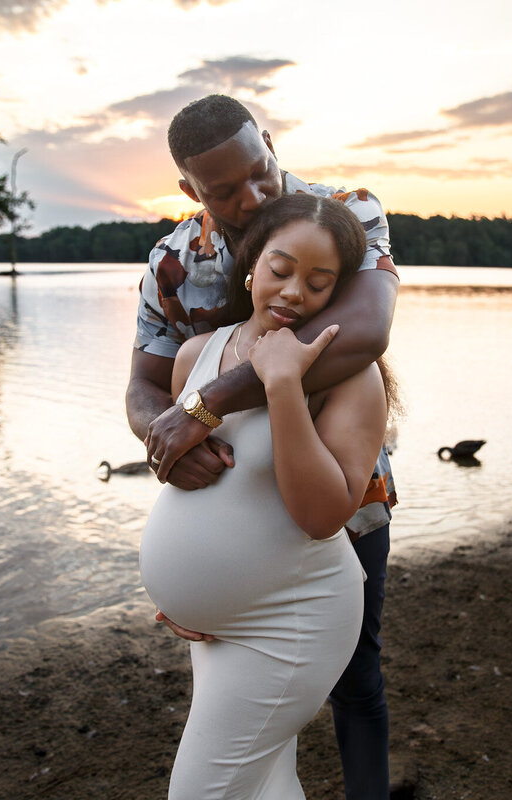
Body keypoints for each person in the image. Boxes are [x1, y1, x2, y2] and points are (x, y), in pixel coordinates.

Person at [125, 94, 399, 798]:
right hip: (232, 510)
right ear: (191, 191)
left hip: (338, 485)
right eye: (224, 189)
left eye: (261, 171)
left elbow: (363, 336)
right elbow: (144, 391)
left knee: (357, 678)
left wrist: (206, 405)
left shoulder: (344, 213)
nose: (251, 195)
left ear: (271, 144)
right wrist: (172, 443)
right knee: (258, 756)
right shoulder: (172, 261)